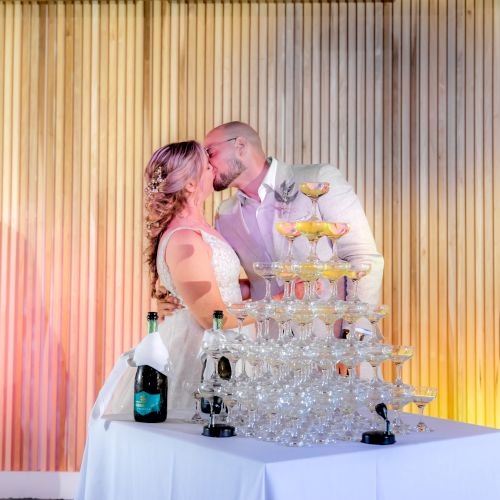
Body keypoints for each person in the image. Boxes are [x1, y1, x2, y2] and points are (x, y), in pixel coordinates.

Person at [90, 140, 254, 421]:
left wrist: (253, 288)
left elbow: (219, 287)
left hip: (233, 341)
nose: (213, 168)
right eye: (206, 166)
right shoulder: (184, 239)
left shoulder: (204, 225)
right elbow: (213, 319)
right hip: (204, 349)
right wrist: (277, 306)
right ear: (190, 185)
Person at [158, 121, 383, 321]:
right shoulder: (225, 215)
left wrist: (356, 334)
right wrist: (181, 298)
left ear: (240, 146)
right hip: (268, 353)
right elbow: (220, 280)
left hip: (333, 344)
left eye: (210, 152)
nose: (205, 162)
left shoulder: (318, 180)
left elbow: (362, 257)